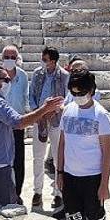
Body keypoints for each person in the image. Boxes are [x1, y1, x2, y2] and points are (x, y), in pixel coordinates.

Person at [0, 65, 63, 205]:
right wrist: (44, 108)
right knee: (7, 209)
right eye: (5, 80)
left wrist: (41, 115)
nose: (9, 82)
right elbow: (18, 122)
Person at [56, 70, 110, 220]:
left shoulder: (101, 115)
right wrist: (59, 173)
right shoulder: (68, 110)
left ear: (91, 91)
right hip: (70, 177)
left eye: (80, 93)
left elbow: (107, 153)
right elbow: (62, 144)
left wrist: (104, 184)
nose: (77, 96)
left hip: (92, 179)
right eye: (73, 93)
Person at [29, 46, 69, 208]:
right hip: (39, 119)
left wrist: (56, 110)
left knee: (58, 158)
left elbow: (67, 98)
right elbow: (31, 95)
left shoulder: (64, 76)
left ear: (53, 61)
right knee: (37, 157)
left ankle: (58, 193)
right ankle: (37, 192)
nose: (42, 62)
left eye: (45, 59)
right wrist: (37, 112)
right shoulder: (38, 74)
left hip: (56, 120)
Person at [0, 45, 29, 203]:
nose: (9, 59)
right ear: (2, 58)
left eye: (13, 57)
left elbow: (26, 97)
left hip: (17, 124)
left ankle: (17, 193)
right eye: (7, 56)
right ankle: (3, 193)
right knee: (2, 160)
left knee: (18, 160)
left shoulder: (23, 76)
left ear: (17, 58)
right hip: (0, 125)